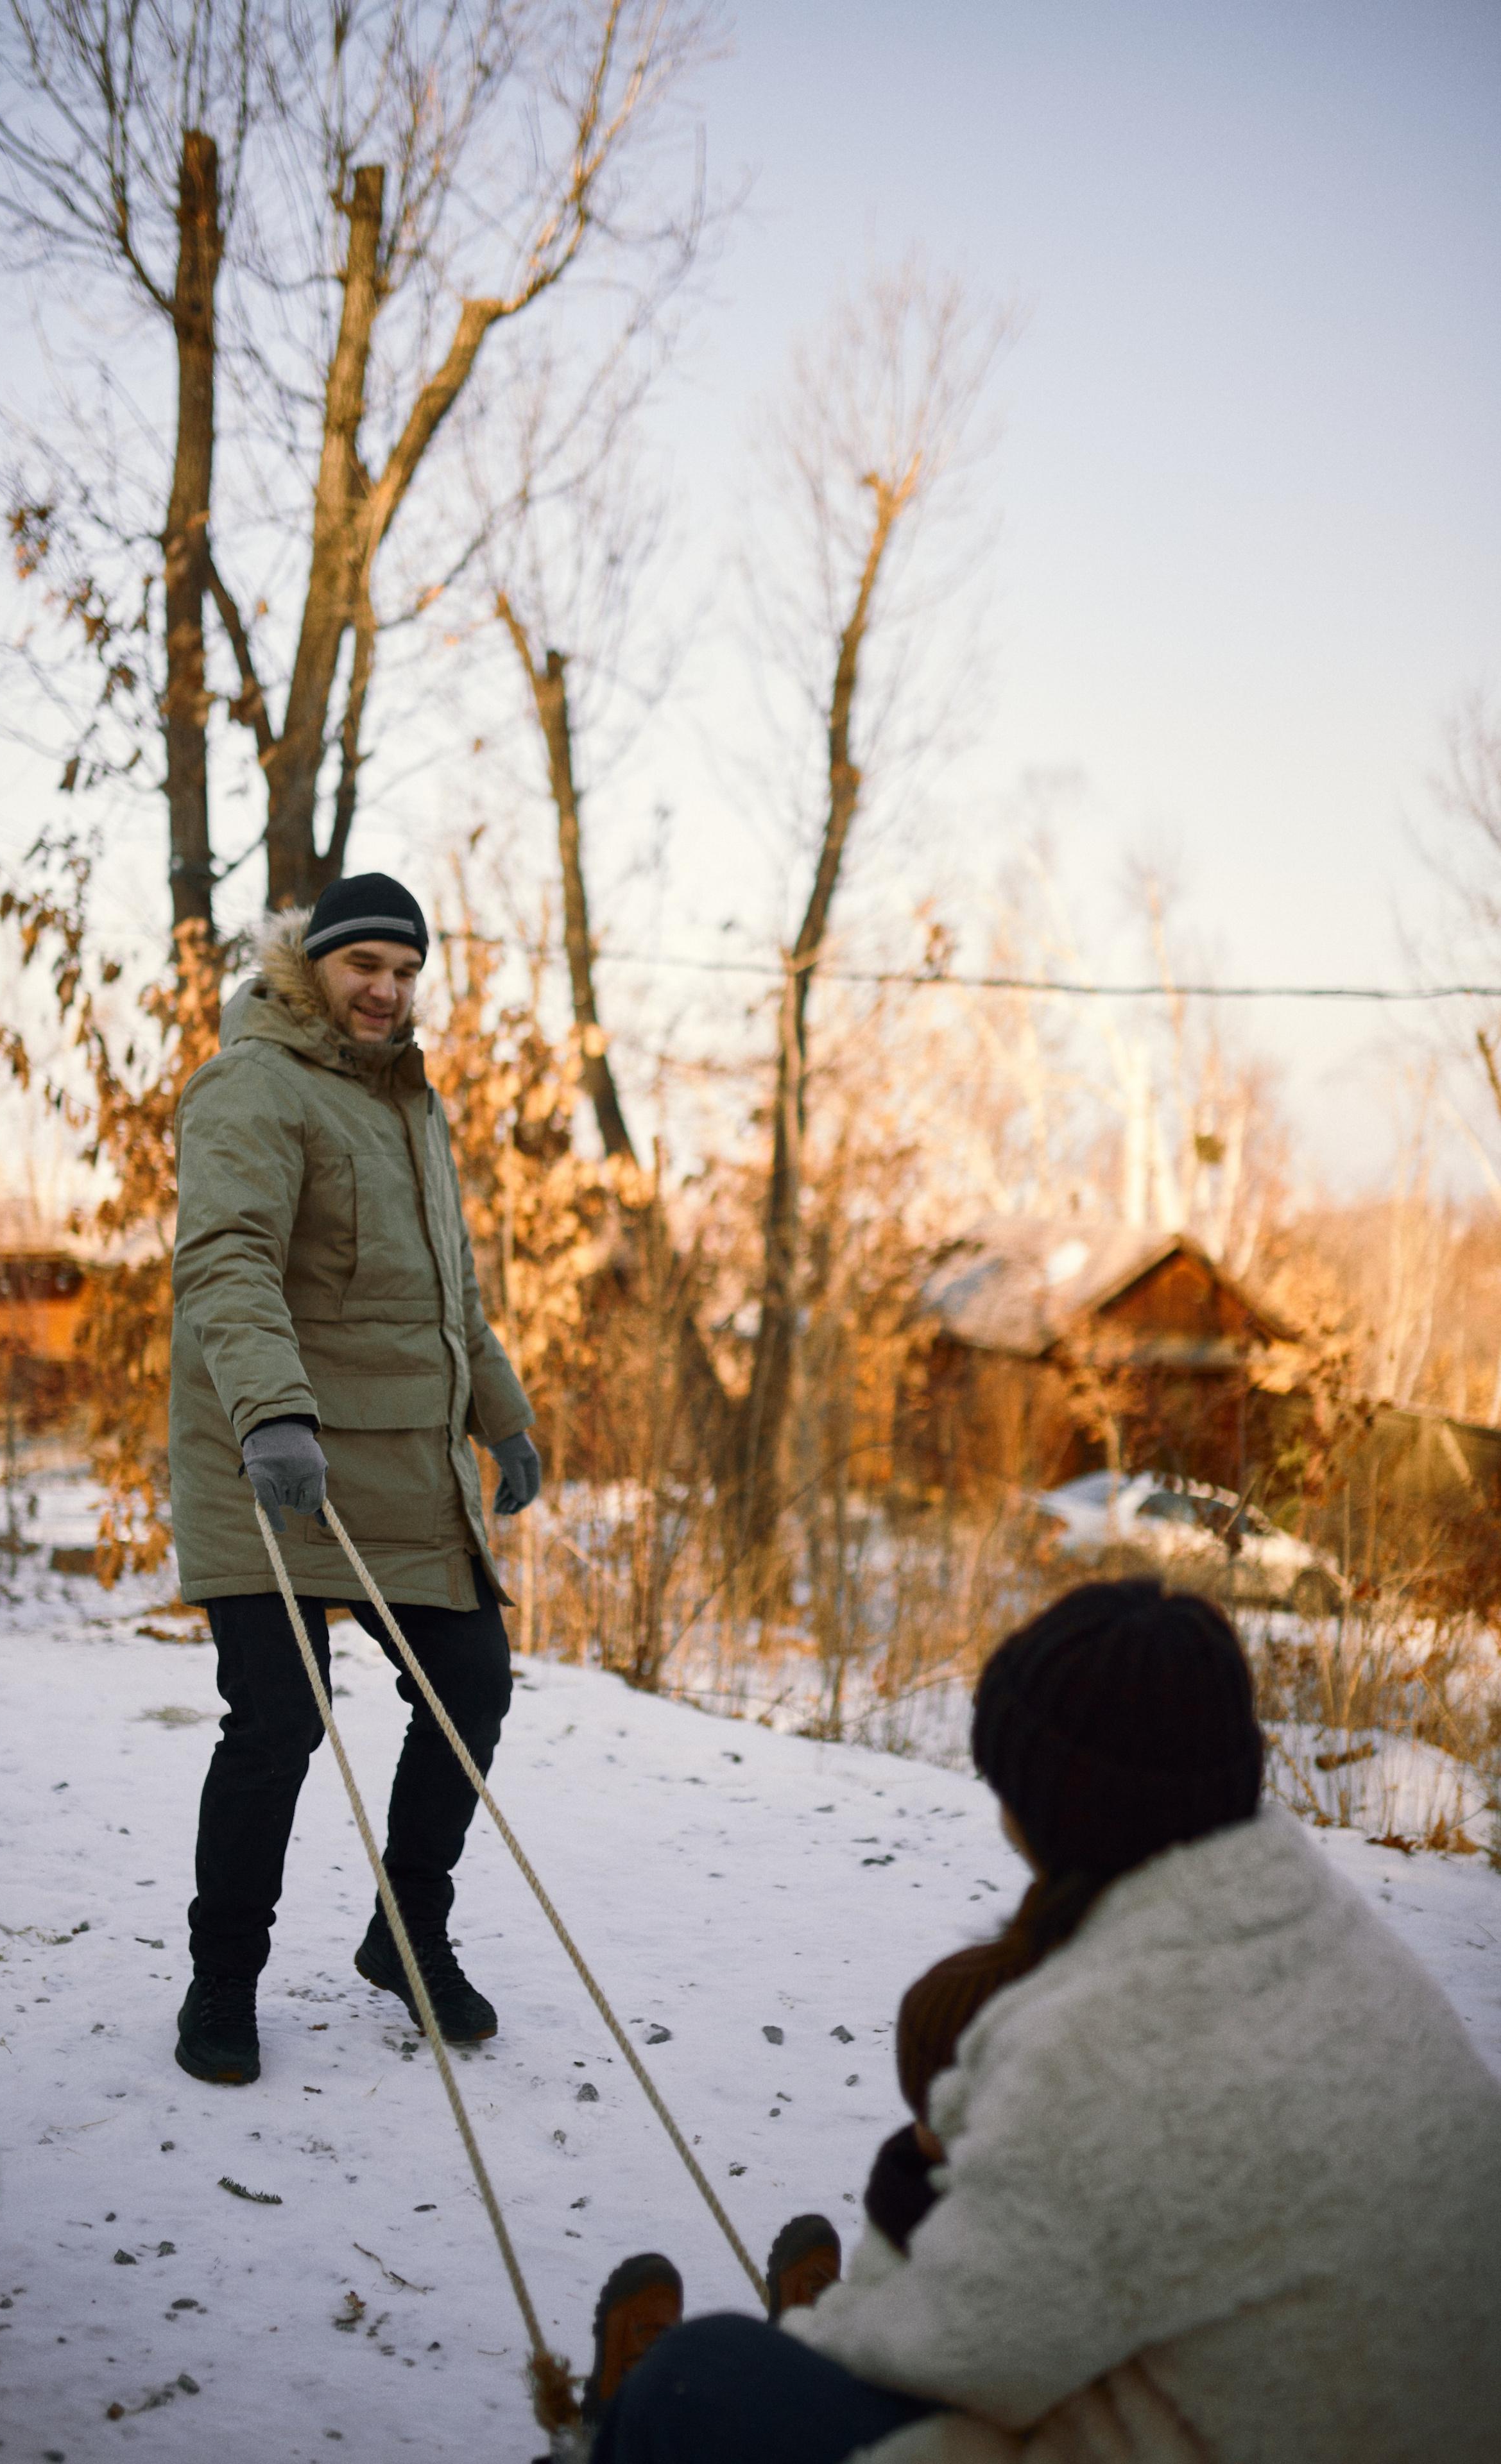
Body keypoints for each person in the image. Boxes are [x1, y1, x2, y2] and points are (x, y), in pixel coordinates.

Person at [574, 1580, 1501, 2464]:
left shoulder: (1101, 2049)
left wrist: (905, 2205)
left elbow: (958, 2351)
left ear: (1050, 1802)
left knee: (698, 2384)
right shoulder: (1330, 1934)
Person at [167, 872, 541, 2087]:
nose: (386, 989)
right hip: (272, 1459)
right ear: (311, 970)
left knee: (471, 1686)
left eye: (405, 969)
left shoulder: (416, 1108)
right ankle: (224, 1977)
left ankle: (407, 1930)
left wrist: (507, 1420)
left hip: (402, 1473)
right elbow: (226, 1261)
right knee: (280, 1721)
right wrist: (274, 1414)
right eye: (361, 965)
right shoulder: (253, 1084)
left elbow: (453, 1299)